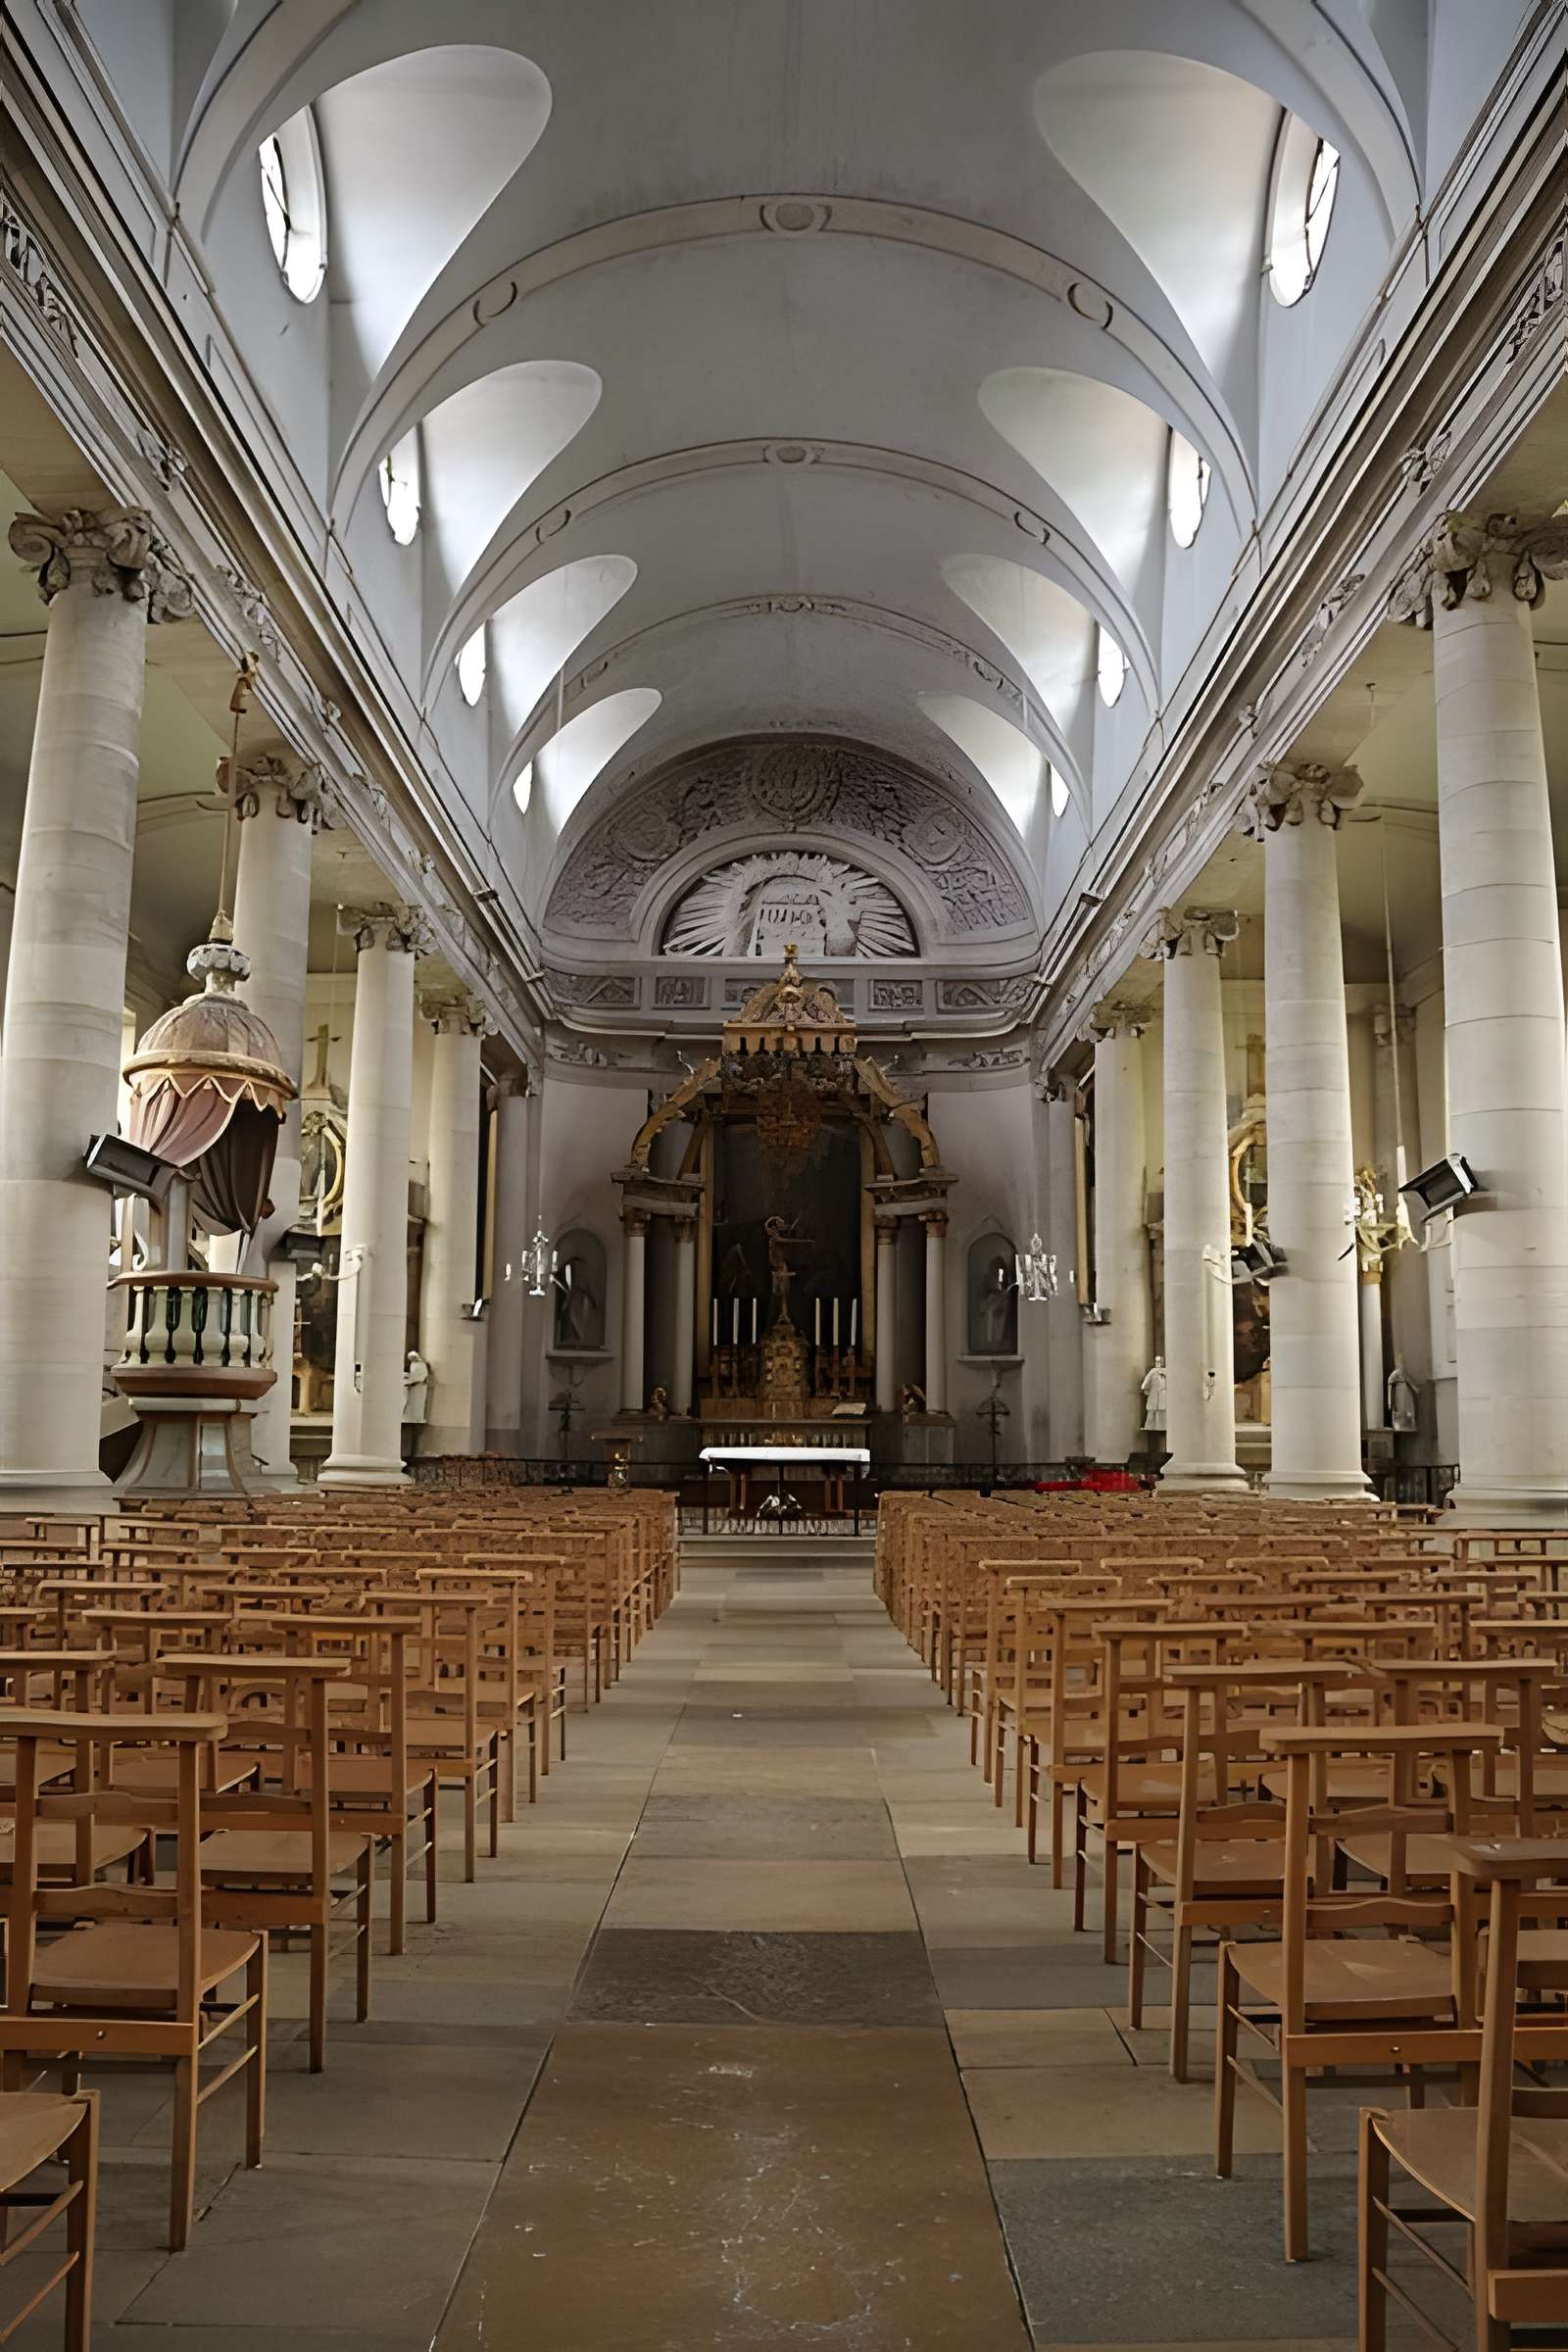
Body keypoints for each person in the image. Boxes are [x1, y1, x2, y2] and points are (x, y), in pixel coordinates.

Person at [1140, 1356, 1167, 1432]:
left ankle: (1163, 1427)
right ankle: (1150, 1427)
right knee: (1152, 1412)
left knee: (1163, 1412)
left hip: (1163, 1396)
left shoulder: (1167, 1372)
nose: (1158, 1364)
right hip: (1154, 1394)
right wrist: (1146, 1389)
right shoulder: (1152, 1372)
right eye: (1157, 1362)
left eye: (1160, 1362)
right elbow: (1146, 1381)